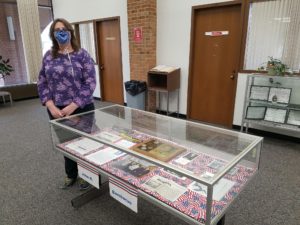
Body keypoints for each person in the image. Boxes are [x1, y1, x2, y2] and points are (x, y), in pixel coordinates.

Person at [37, 18, 96, 190]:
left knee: (85, 143)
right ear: (53, 35)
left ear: (70, 31)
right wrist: (50, 106)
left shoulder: (82, 54)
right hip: (57, 110)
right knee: (66, 143)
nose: (61, 32)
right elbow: (42, 82)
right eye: (57, 30)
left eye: (64, 29)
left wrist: (73, 105)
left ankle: (88, 176)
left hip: (82, 107)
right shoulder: (49, 56)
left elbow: (90, 82)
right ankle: (71, 174)